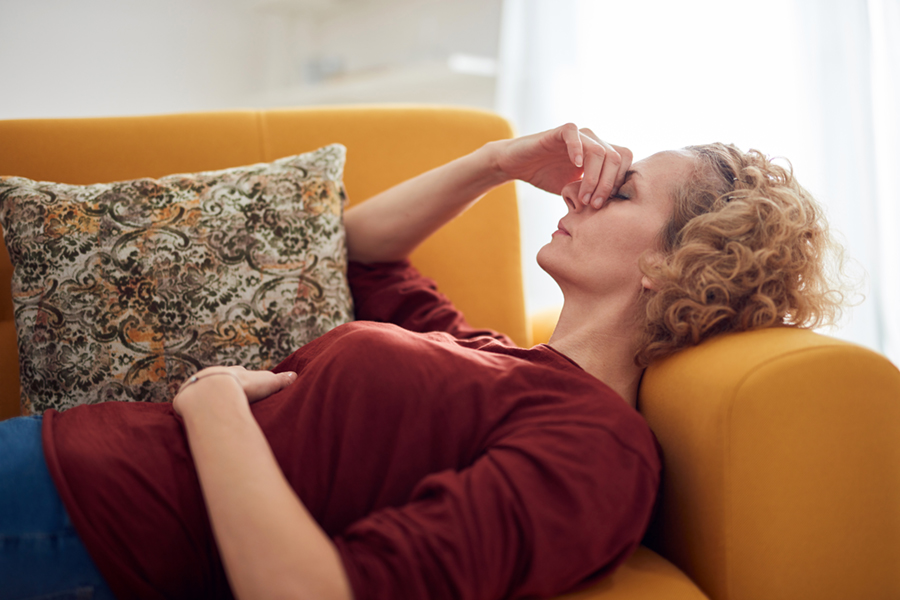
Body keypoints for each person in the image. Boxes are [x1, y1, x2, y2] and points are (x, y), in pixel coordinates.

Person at [0, 124, 843, 600]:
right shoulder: (494, 356)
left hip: (84, 520)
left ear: (676, 262)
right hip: (62, 463)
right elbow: (359, 254)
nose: (582, 192)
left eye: (621, 193)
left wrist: (213, 404)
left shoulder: (597, 448)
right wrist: (498, 163)